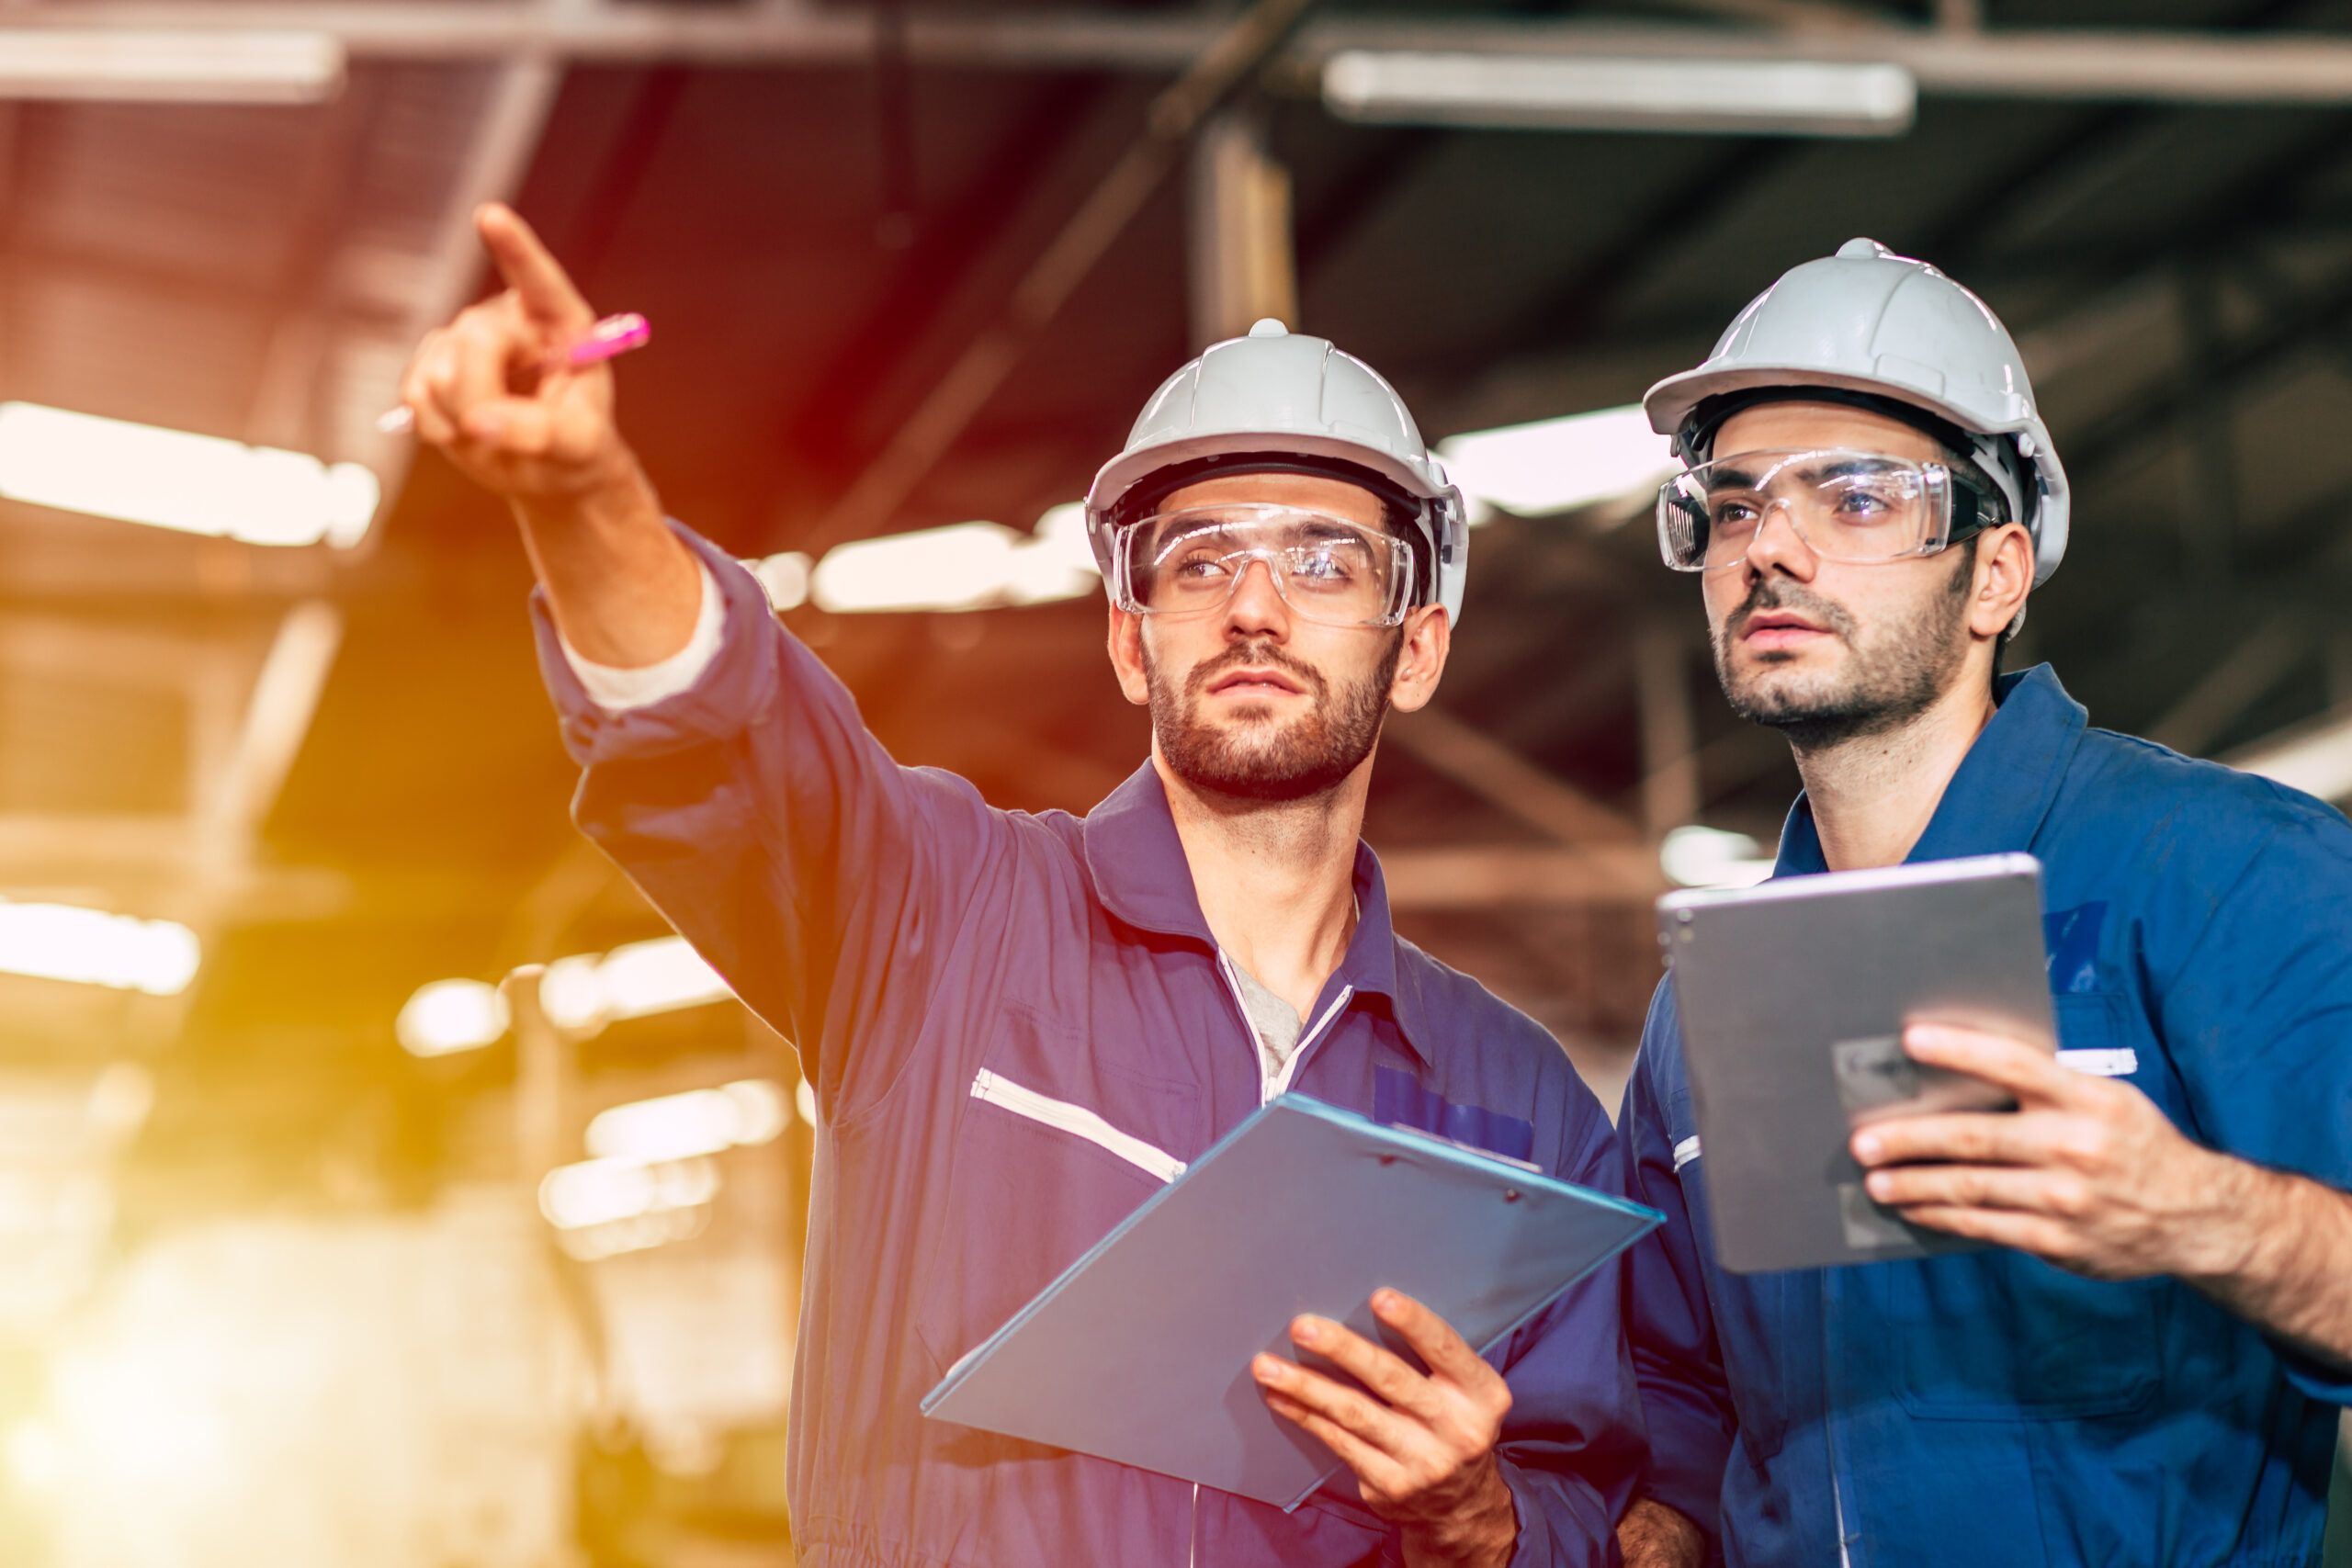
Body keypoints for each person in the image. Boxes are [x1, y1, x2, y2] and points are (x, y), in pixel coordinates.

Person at [397, 203, 1645, 1568]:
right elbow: (735, 735)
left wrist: (1481, 1518)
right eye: (1199, 556)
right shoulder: (940, 921)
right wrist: (584, 501)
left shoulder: (1522, 1113)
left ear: (1415, 649)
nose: (1254, 604)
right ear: (1130, 637)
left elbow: (1595, 1494)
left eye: (1324, 560)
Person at [1613, 238, 2352, 1568]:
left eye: (1851, 499)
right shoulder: (1699, 1010)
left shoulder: (2224, 874)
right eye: (1732, 505)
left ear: (1996, 575)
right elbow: (1685, 1410)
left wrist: (2195, 1210)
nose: (1770, 547)